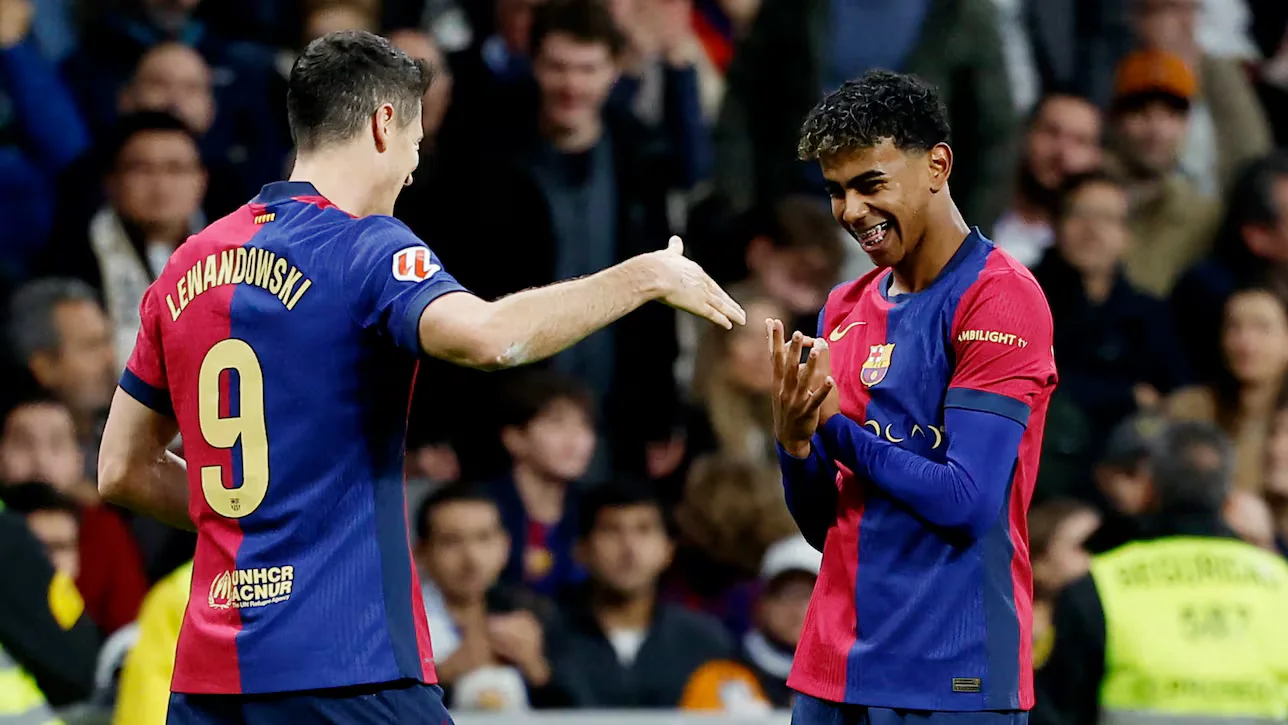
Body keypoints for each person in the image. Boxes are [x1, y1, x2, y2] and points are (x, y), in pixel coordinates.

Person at [94, 28, 743, 725]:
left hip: (212, 682)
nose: (412, 167)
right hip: (350, 667)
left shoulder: (188, 264)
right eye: (415, 140)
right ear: (382, 124)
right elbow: (490, 340)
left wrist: (259, 529)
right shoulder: (365, 246)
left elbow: (122, 470)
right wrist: (644, 276)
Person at [770, 70, 1058, 723]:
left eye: (871, 184)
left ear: (937, 164)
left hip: (951, 676)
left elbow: (967, 501)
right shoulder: (843, 305)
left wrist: (834, 429)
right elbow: (827, 525)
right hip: (833, 670)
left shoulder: (999, 296)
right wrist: (794, 442)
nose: (850, 212)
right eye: (836, 192)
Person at [1034, 421, 1288, 725]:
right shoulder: (1280, 583)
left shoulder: (1100, 586)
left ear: (1150, 489)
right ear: (1228, 497)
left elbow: (1056, 714)